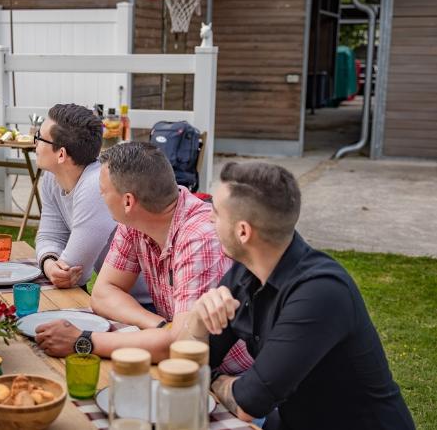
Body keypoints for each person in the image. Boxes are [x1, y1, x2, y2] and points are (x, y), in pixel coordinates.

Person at [182, 162, 415, 430]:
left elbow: (249, 403)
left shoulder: (320, 293)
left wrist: (216, 380)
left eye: (216, 212)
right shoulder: (245, 274)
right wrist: (198, 323)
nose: (210, 219)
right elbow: (184, 371)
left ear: (243, 231)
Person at [35, 142, 252, 372]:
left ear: (128, 201)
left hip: (225, 378)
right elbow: (102, 294)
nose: (101, 197)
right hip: (179, 362)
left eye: (103, 192)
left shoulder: (199, 238)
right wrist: (160, 326)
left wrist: (83, 340)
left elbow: (180, 346)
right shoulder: (137, 220)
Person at [33, 104, 153, 309]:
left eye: (39, 137)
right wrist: (50, 263)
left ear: (61, 154)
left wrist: (57, 270)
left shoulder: (95, 186)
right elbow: (49, 236)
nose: (34, 142)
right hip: (120, 299)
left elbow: (74, 273)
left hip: (145, 304)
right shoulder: (51, 179)